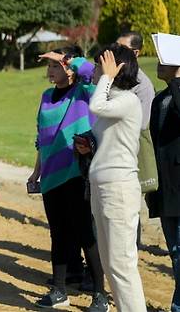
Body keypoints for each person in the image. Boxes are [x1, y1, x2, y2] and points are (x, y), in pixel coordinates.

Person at [28, 46, 106, 310]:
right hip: (50, 176)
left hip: (76, 173)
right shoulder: (46, 96)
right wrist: (37, 170)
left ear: (68, 70)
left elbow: (94, 73)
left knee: (86, 233)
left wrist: (69, 60)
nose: (49, 71)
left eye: (54, 67)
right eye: (48, 67)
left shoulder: (84, 92)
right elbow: (42, 137)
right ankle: (59, 291)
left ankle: (100, 295)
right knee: (58, 234)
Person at [86, 44, 146, 311]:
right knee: (111, 265)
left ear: (116, 68)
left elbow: (96, 105)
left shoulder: (128, 100)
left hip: (119, 188)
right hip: (103, 185)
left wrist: (107, 77)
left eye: (100, 65)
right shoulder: (114, 100)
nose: (96, 70)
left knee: (122, 265)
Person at [116, 31, 156, 249]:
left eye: (122, 49)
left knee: (129, 203)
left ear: (136, 53)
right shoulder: (112, 77)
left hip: (131, 152)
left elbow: (141, 124)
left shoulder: (143, 85)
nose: (116, 53)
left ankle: (132, 246)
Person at [146, 58, 180, 312]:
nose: (159, 65)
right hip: (166, 188)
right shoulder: (160, 99)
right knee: (176, 252)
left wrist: (178, 80)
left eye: (166, 60)